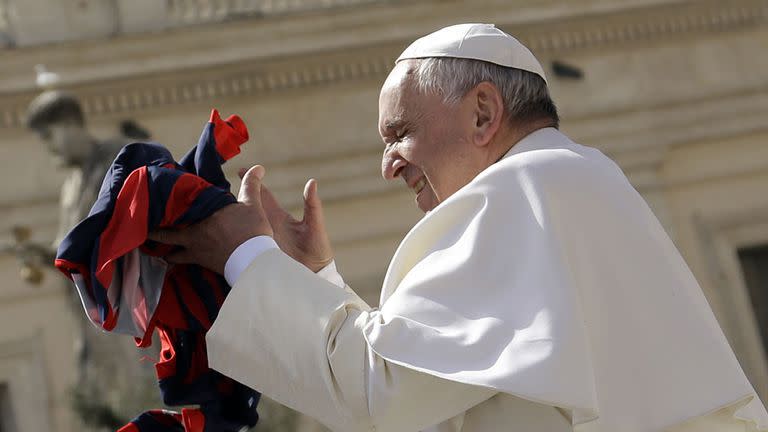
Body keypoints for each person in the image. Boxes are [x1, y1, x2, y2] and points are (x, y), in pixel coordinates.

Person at [151, 24, 768, 431]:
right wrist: (316, 279)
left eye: (399, 134)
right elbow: (431, 388)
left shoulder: (522, 189)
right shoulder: (566, 181)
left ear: (482, 114)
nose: (387, 163)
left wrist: (246, 256)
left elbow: (383, 393)